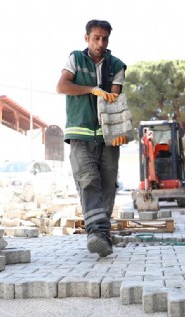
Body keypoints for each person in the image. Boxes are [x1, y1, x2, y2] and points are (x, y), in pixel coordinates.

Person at [56, 19, 127, 257]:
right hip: (80, 133)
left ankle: (103, 236)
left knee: (107, 186)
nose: (100, 43)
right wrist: (91, 89)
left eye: (104, 38)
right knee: (88, 181)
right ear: (86, 38)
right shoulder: (75, 59)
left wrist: (120, 133)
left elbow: (115, 101)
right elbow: (62, 86)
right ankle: (96, 233)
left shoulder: (116, 65)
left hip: (108, 138)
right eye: (96, 37)